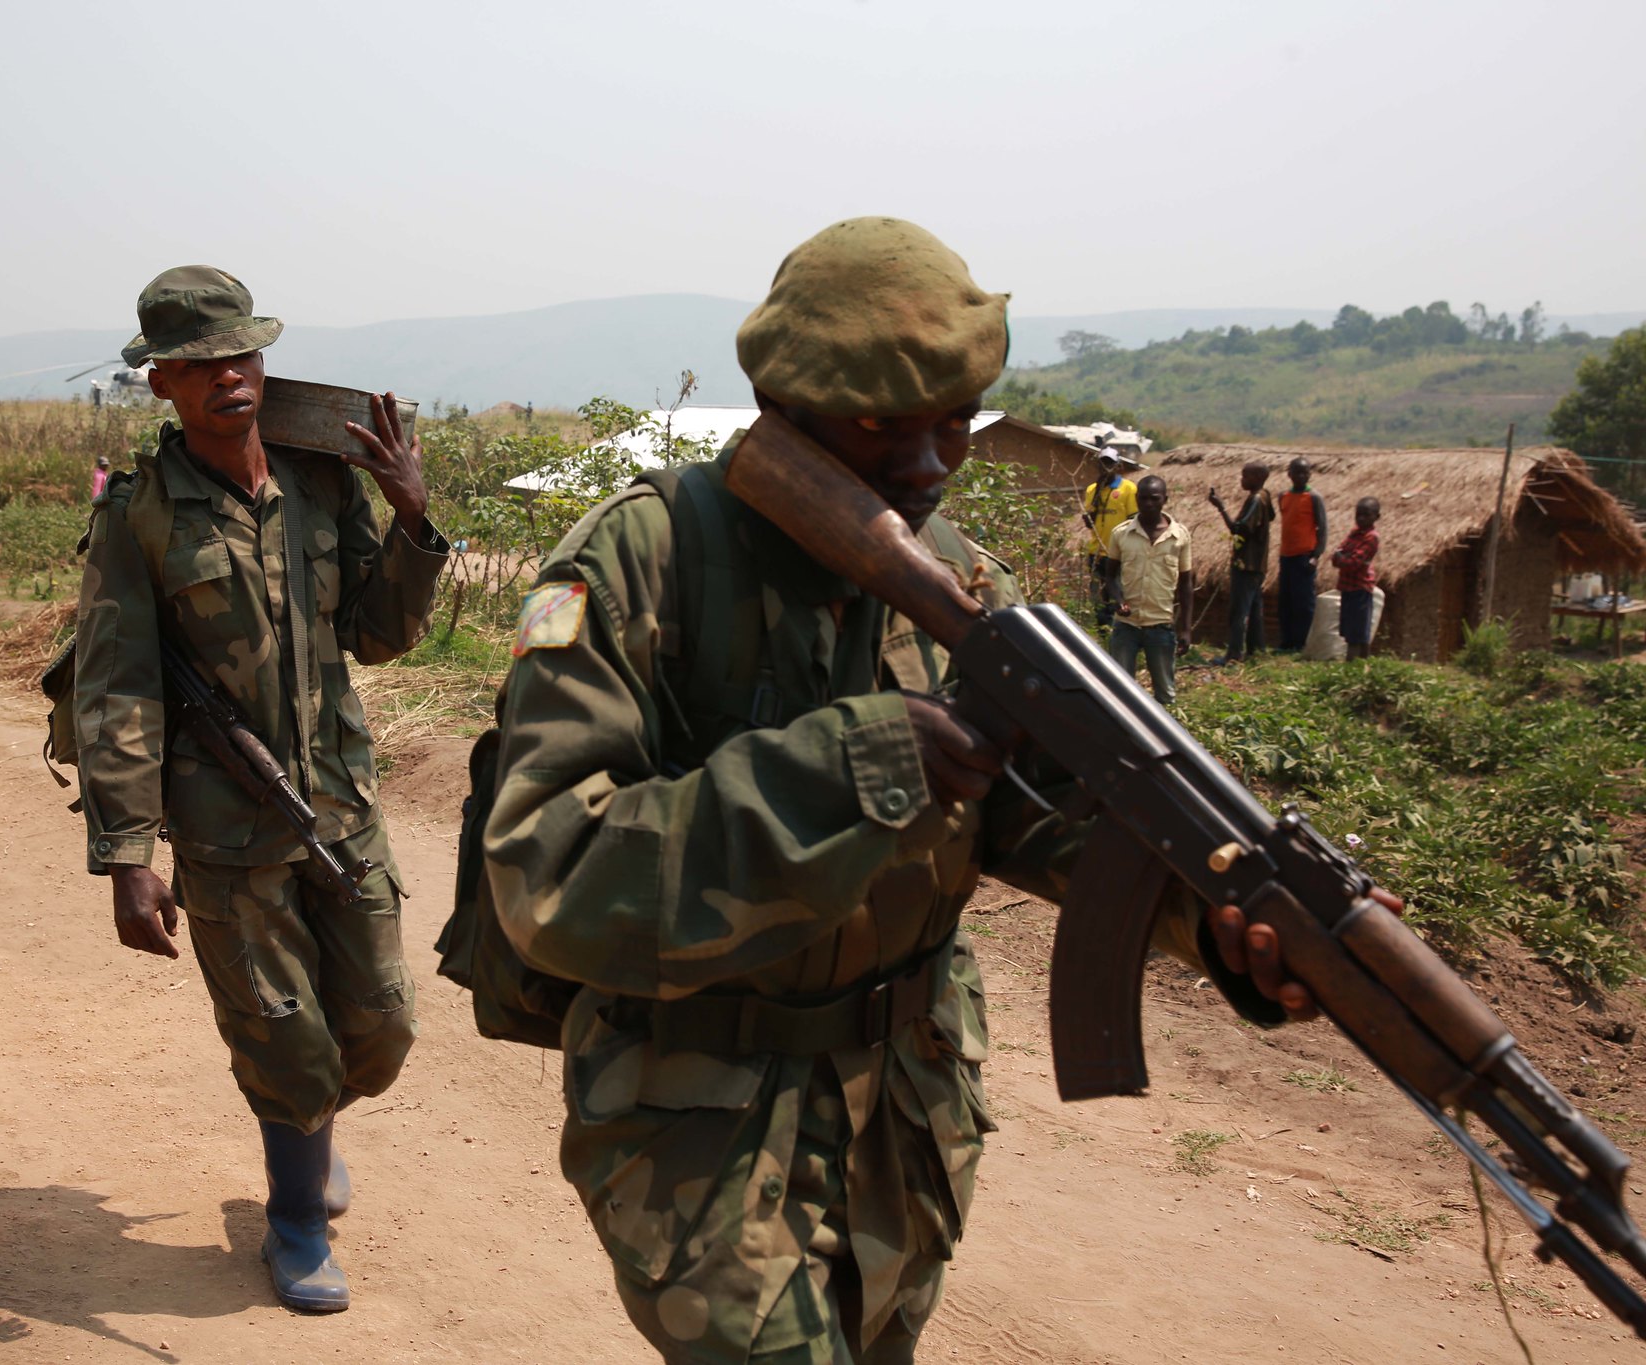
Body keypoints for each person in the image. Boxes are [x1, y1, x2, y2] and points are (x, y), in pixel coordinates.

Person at [483, 218, 1318, 1364]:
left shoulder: (961, 581)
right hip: (696, 1105)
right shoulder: (638, 562)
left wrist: (1224, 920)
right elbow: (549, 876)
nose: (926, 466)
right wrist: (855, 764)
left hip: (907, 1100)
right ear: (781, 406)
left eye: (949, 427)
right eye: (881, 431)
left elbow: (1049, 816)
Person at [71, 265, 448, 1314]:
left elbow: (378, 633)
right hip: (225, 829)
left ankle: (310, 1121)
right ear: (162, 385)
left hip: (340, 802)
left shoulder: (321, 484)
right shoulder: (140, 517)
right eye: (198, 365)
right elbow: (117, 688)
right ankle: (292, 1218)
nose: (227, 377)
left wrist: (411, 516)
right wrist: (128, 856)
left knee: (380, 1028)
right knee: (283, 1036)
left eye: (240, 354)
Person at [1103, 474, 1194, 704]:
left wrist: (1185, 629)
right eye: (1143, 499)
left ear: (1165, 499)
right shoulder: (1121, 534)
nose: (1148, 504)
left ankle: (1165, 738)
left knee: (1165, 694)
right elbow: (1110, 576)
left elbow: (1185, 585)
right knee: (1120, 692)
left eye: (1154, 499)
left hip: (1161, 625)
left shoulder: (1179, 537)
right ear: (1136, 499)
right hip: (1126, 625)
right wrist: (1118, 599)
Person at [1206, 461, 1274, 663]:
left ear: (1258, 478)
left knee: (1239, 611)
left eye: (1245, 476)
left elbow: (1238, 528)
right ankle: (1256, 650)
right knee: (1254, 609)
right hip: (1257, 564)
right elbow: (1270, 517)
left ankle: (1234, 653)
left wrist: (1221, 507)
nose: (1241, 479)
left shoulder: (1255, 500)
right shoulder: (1265, 496)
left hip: (1247, 563)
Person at [1079, 446, 1138, 628]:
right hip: (1096, 551)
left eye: (1110, 464)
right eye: (1102, 463)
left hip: (1118, 552)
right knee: (1098, 596)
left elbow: (1133, 520)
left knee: (1118, 594)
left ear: (1118, 466)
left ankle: (1118, 629)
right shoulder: (1092, 489)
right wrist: (1096, 498)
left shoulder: (1128, 488)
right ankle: (1101, 631)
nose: (1106, 468)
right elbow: (1091, 522)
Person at [1276, 457, 1326, 650]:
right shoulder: (1284, 496)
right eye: (1297, 472)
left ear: (1310, 475)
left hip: (1304, 556)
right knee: (1285, 601)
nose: (1301, 476)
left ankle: (1303, 643)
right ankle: (1286, 642)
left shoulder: (1314, 497)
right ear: (1289, 474)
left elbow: (1322, 528)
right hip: (1286, 555)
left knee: (1304, 603)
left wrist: (1316, 556)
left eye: (1305, 472)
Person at [1331, 496, 1382, 660]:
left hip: (1360, 587)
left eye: (1366, 515)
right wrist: (1342, 557)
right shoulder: (1354, 533)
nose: (1361, 518)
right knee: (1350, 629)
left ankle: (1353, 667)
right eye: (1358, 514)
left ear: (1376, 517)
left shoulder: (1371, 537)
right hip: (1347, 586)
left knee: (1358, 631)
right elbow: (1337, 555)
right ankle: (1359, 665)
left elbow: (1354, 562)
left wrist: (1342, 558)